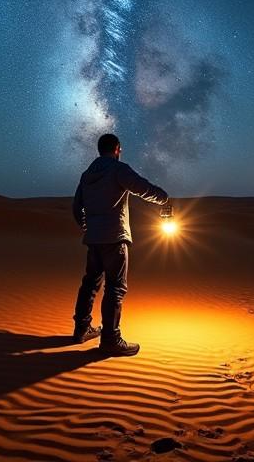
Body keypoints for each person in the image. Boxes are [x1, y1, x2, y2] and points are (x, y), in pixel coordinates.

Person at [71, 132, 169, 357]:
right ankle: (110, 339)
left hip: (94, 239)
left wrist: (87, 227)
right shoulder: (118, 169)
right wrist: (163, 198)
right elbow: (141, 187)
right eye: (119, 150)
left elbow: (77, 207)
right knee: (115, 288)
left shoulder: (86, 175)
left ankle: (81, 329)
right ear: (117, 149)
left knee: (90, 284)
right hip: (115, 238)